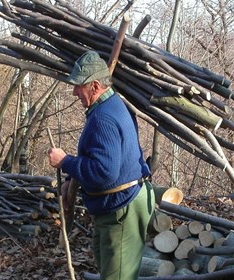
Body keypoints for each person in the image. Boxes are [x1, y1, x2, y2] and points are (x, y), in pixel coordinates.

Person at [48, 50, 155, 280]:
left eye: (79, 86)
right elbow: (97, 156)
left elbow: (104, 173)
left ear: (95, 86)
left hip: (122, 210)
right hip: (118, 206)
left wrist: (65, 162)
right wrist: (71, 178)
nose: (75, 92)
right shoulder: (114, 105)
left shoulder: (103, 118)